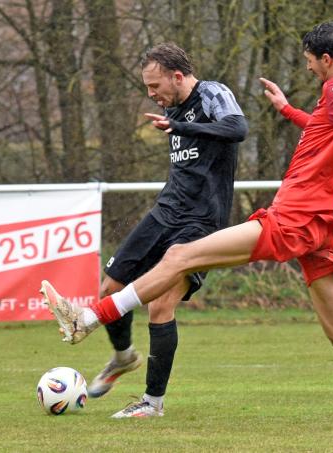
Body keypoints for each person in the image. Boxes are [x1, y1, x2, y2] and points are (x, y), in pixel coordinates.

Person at [41, 22, 333, 418]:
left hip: (296, 216)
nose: (308, 68)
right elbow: (328, 128)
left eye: (310, 61)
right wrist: (287, 110)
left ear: (326, 59)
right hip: (322, 223)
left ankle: (89, 319)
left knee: (179, 256)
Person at [71, 43, 248, 418]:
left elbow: (238, 128)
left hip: (201, 221)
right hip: (166, 211)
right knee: (109, 287)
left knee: (161, 304)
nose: (152, 94)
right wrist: (176, 121)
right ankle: (123, 357)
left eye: (155, 85)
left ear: (177, 76)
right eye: (148, 87)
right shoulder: (171, 108)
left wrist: (181, 126)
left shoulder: (212, 93)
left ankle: (152, 403)